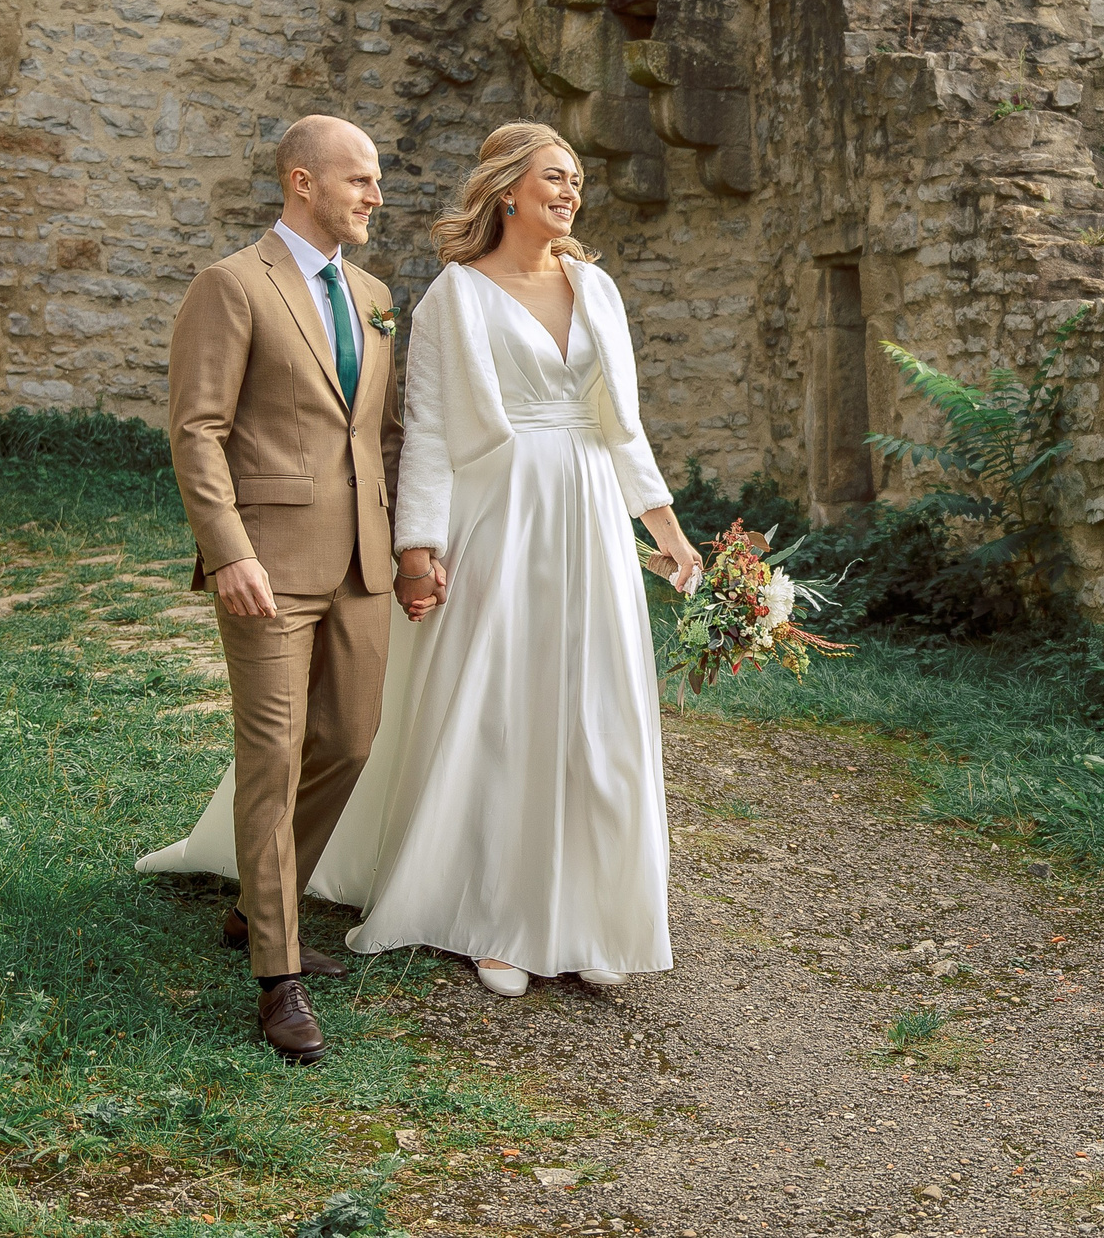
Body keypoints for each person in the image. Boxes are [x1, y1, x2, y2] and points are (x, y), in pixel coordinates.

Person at [144, 121, 702, 1004]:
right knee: (501, 712)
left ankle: (591, 916)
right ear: (508, 190)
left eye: (580, 181)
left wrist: (663, 525)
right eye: (556, 177)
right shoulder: (450, 296)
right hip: (503, 514)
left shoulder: (596, 289)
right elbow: (427, 436)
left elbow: (619, 422)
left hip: (590, 517)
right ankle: (489, 915)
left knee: (599, 712)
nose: (571, 192)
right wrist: (419, 548)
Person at [157, 114, 403, 1065]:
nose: (375, 195)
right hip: (265, 565)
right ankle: (279, 973)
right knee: (275, 751)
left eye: (375, 180)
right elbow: (198, 430)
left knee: (348, 740)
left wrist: (408, 548)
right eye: (360, 179)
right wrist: (229, 551)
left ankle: (262, 907)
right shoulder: (231, 286)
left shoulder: (378, 295)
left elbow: (379, 436)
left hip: (362, 566)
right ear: (302, 182)